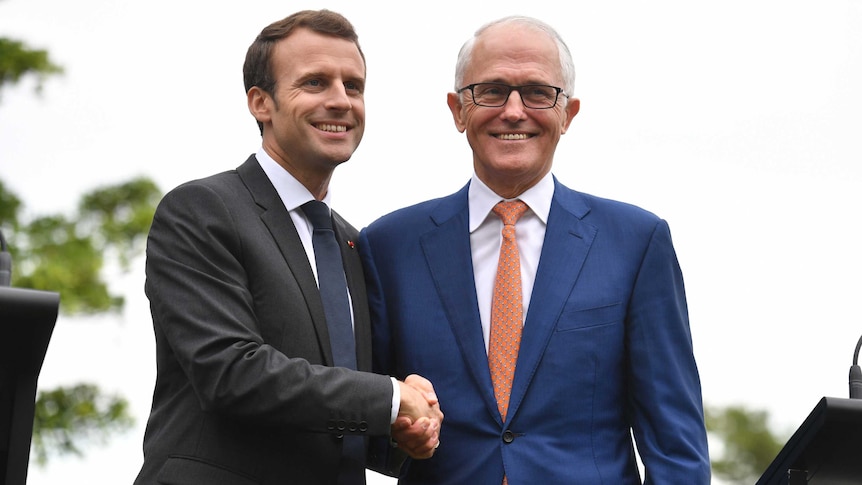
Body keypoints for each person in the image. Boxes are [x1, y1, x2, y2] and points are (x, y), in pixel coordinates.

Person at [358, 15, 710, 484]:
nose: (514, 110)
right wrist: (401, 430)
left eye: (539, 93)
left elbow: (675, 444)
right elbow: (363, 421)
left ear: (569, 113)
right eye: (492, 90)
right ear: (457, 109)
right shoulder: (388, 247)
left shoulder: (636, 242)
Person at [134, 10, 442, 485]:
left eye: (354, 86)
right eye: (316, 83)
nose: (341, 101)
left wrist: (403, 430)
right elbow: (231, 373)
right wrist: (389, 397)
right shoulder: (202, 209)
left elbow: (338, 409)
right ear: (261, 103)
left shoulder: (352, 243)